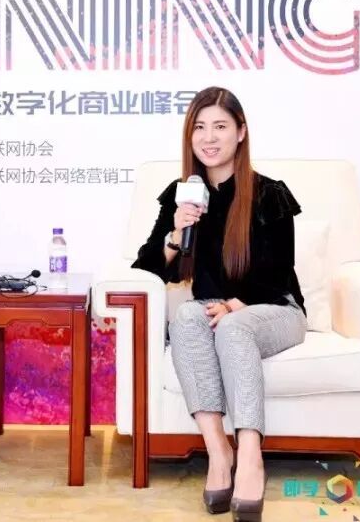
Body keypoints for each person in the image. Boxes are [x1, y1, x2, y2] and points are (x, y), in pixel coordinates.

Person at [132, 86, 308, 521]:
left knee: (232, 325)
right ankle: (218, 452)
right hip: (214, 308)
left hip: (275, 308)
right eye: (200, 128)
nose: (209, 138)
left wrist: (234, 306)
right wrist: (176, 233)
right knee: (186, 316)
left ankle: (249, 456)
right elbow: (148, 268)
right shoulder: (181, 195)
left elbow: (278, 272)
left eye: (220, 127)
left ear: (241, 133)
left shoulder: (269, 194)